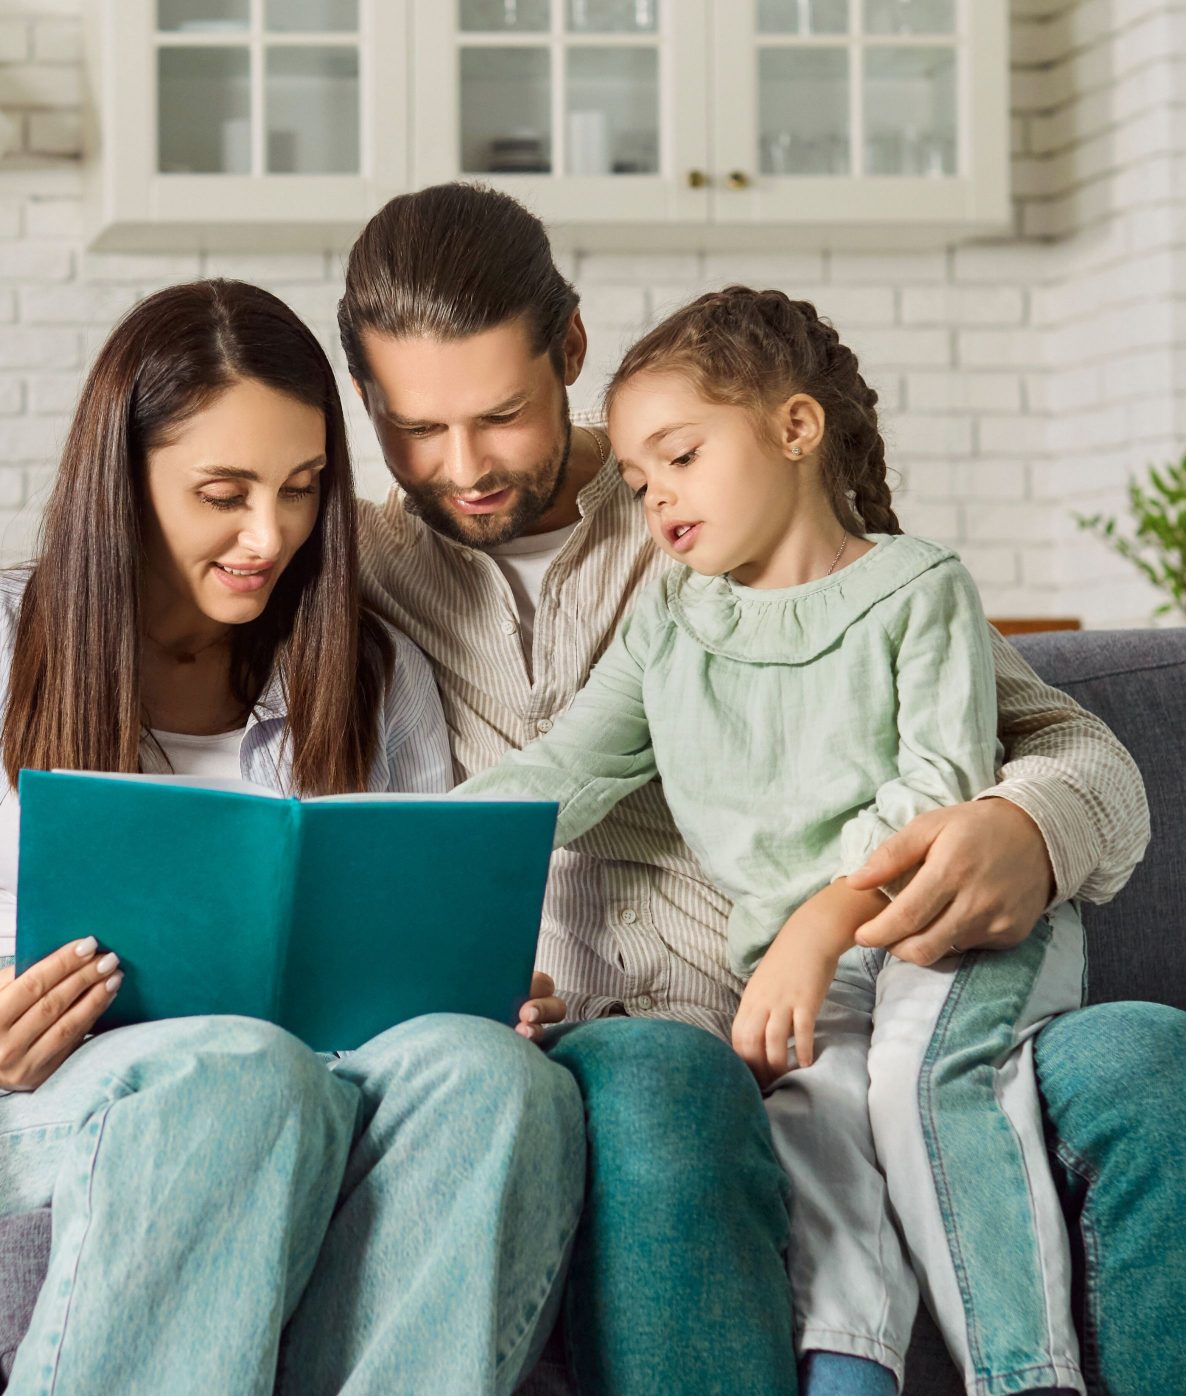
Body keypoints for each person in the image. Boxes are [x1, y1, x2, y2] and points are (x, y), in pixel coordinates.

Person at [337, 182, 1186, 1395]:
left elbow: (1070, 748)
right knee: (671, 1092)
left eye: (502, 415)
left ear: (569, 352)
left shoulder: (718, 502)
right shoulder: (345, 567)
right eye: (415, 431)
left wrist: (1023, 826)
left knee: (1176, 1069)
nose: (464, 466)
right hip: (621, 1032)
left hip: (870, 970)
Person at [0, 278, 584, 1395]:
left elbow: (414, 920)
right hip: (66, 1095)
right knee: (247, 1069)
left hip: (332, 1073)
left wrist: (482, 984)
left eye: (301, 490)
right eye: (223, 492)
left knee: (499, 1077)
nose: (270, 535)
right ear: (124, 477)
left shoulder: (371, 668)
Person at [464, 285, 1089, 1396]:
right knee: (813, 1136)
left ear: (795, 430)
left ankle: (1025, 1375)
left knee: (914, 1081)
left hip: (943, 930)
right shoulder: (670, 617)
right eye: (642, 483)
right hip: (799, 973)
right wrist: (394, 850)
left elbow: (939, 791)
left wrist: (820, 920)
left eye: (681, 459)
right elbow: (565, 771)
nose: (657, 501)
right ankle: (849, 1376)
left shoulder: (916, 585)